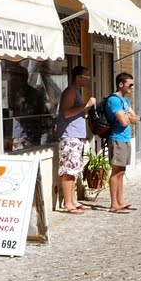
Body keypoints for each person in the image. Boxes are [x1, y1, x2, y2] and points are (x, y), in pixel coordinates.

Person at [55, 66, 95, 214]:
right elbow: (66, 113)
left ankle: (72, 200)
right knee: (68, 170)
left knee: (74, 169)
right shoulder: (70, 91)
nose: (88, 79)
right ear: (78, 77)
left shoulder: (76, 91)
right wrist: (85, 105)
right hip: (69, 135)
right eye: (86, 76)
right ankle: (67, 203)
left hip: (76, 136)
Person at [105, 72, 138, 213]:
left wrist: (128, 117)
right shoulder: (114, 100)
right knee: (116, 171)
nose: (132, 87)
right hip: (116, 138)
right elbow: (124, 122)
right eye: (129, 84)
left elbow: (135, 118)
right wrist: (127, 116)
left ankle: (120, 201)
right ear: (120, 84)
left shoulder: (125, 101)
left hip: (125, 138)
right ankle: (114, 204)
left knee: (122, 171)